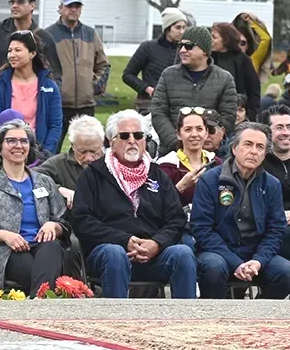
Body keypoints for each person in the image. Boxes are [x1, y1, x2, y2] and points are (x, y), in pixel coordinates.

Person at [72, 110, 197, 298]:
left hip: (153, 255)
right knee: (115, 254)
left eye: (138, 135)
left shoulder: (157, 174)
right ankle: (116, 323)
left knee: (183, 253)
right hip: (109, 253)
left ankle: (184, 324)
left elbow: (176, 219)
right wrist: (124, 241)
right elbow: (82, 221)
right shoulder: (93, 175)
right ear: (111, 142)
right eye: (124, 136)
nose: (132, 140)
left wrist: (157, 243)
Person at [0, 120, 69, 298]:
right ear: (0, 147)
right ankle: (43, 304)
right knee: (42, 272)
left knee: (52, 248)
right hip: (1, 252)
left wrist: (53, 226)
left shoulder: (44, 181)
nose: (18, 145)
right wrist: (4, 235)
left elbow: (62, 221)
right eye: (11, 140)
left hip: (42, 248)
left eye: (24, 140)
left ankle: (36, 304)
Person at [191, 122, 290, 299]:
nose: (253, 151)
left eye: (260, 147)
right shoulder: (210, 180)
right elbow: (202, 229)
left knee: (286, 272)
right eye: (248, 144)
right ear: (234, 148)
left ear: (265, 154)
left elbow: (276, 230)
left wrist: (258, 260)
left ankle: (256, 317)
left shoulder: (271, 185)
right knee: (214, 267)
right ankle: (214, 317)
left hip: (255, 252)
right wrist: (236, 263)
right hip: (218, 251)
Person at [150, 25, 238, 156]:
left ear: (205, 51)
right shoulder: (168, 75)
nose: (182, 50)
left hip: (210, 157)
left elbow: (228, 118)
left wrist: (203, 143)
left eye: (189, 46)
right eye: (181, 45)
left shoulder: (225, 79)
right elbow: (158, 112)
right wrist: (178, 143)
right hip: (172, 154)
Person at [45, 0, 110, 153]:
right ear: (60, 9)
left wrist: (94, 88)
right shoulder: (48, 35)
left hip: (85, 105)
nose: (73, 9)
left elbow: (103, 65)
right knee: (52, 149)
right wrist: (55, 90)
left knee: (89, 149)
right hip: (58, 104)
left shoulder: (90, 33)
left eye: (77, 6)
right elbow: (42, 68)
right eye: (69, 6)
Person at [0, 30, 62, 155]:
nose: (12, 55)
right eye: (10, 51)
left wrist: (45, 153)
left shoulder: (49, 87)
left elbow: (55, 125)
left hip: (40, 155)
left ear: (32, 53)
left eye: (18, 50)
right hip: (9, 153)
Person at [0, 0, 61, 94]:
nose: (14, 6)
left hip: (31, 97)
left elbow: (55, 72)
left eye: (20, 2)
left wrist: (53, 95)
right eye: (12, 2)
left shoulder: (44, 37)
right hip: (0, 94)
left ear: (32, 6)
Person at [123, 7, 187, 114]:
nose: (181, 31)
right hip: (149, 105)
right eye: (178, 28)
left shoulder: (184, 50)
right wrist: (148, 89)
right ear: (168, 28)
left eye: (184, 28)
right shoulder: (148, 47)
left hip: (175, 107)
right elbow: (128, 75)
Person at [35, 115, 106, 210]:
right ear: (73, 145)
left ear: (102, 143)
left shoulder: (112, 163)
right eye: (82, 152)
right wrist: (58, 190)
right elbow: (29, 179)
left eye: (94, 151)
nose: (89, 158)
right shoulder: (58, 164)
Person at [156, 107, 219, 207]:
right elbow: (157, 206)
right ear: (178, 134)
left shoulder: (218, 164)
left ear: (206, 133)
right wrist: (181, 187)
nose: (194, 134)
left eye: (199, 129)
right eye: (188, 129)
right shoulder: (165, 167)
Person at [211, 22, 261, 121]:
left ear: (226, 39)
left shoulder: (243, 60)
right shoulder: (209, 58)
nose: (211, 40)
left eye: (214, 37)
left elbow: (254, 90)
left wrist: (251, 116)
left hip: (236, 115)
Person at [233, 12, 273, 83]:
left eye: (243, 43)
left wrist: (251, 22)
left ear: (248, 45)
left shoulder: (254, 59)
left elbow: (266, 39)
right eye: (237, 42)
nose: (239, 46)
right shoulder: (229, 58)